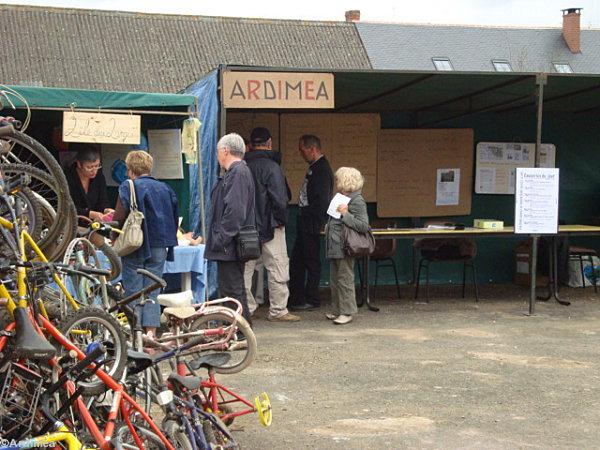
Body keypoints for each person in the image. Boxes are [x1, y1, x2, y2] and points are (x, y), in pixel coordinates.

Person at [113, 150, 178, 338]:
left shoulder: (129, 186)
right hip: (160, 245)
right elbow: (173, 217)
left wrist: (113, 236)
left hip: (136, 245)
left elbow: (119, 217)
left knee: (133, 290)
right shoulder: (165, 188)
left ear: (130, 169)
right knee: (152, 289)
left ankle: (136, 332)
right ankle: (151, 333)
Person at [243, 127, 300, 322]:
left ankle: (246, 308)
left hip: (246, 227)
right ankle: (278, 310)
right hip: (271, 225)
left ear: (249, 145)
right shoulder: (272, 167)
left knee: (245, 269)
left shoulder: (242, 166)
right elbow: (280, 199)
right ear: (269, 143)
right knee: (277, 267)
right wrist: (281, 221)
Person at [205, 133, 256, 324]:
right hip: (230, 243)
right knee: (233, 289)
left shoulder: (238, 173)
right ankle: (239, 331)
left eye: (218, 152)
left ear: (225, 151)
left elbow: (235, 211)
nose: (217, 156)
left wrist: (221, 238)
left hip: (229, 244)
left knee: (232, 290)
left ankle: (238, 332)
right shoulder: (237, 172)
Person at [289, 134, 333, 311]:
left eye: (302, 150)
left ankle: (312, 298)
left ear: (312, 149)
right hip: (305, 220)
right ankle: (297, 297)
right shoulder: (314, 167)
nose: (301, 154)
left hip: (311, 222)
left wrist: (315, 219)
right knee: (298, 261)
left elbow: (322, 200)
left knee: (311, 261)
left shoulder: (322, 169)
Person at [325, 167, 370, 325]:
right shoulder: (341, 197)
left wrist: (346, 214)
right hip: (335, 245)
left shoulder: (357, 200)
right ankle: (337, 309)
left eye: (338, 179)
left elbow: (364, 225)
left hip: (345, 246)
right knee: (335, 279)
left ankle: (347, 311)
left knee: (345, 279)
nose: (336, 182)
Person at [65, 144, 113, 221]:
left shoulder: (99, 177)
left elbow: (103, 201)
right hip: (71, 223)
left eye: (97, 166)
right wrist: (89, 214)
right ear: (79, 164)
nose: (94, 171)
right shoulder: (67, 177)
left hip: (93, 225)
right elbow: (66, 205)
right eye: (89, 167)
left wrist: (107, 210)